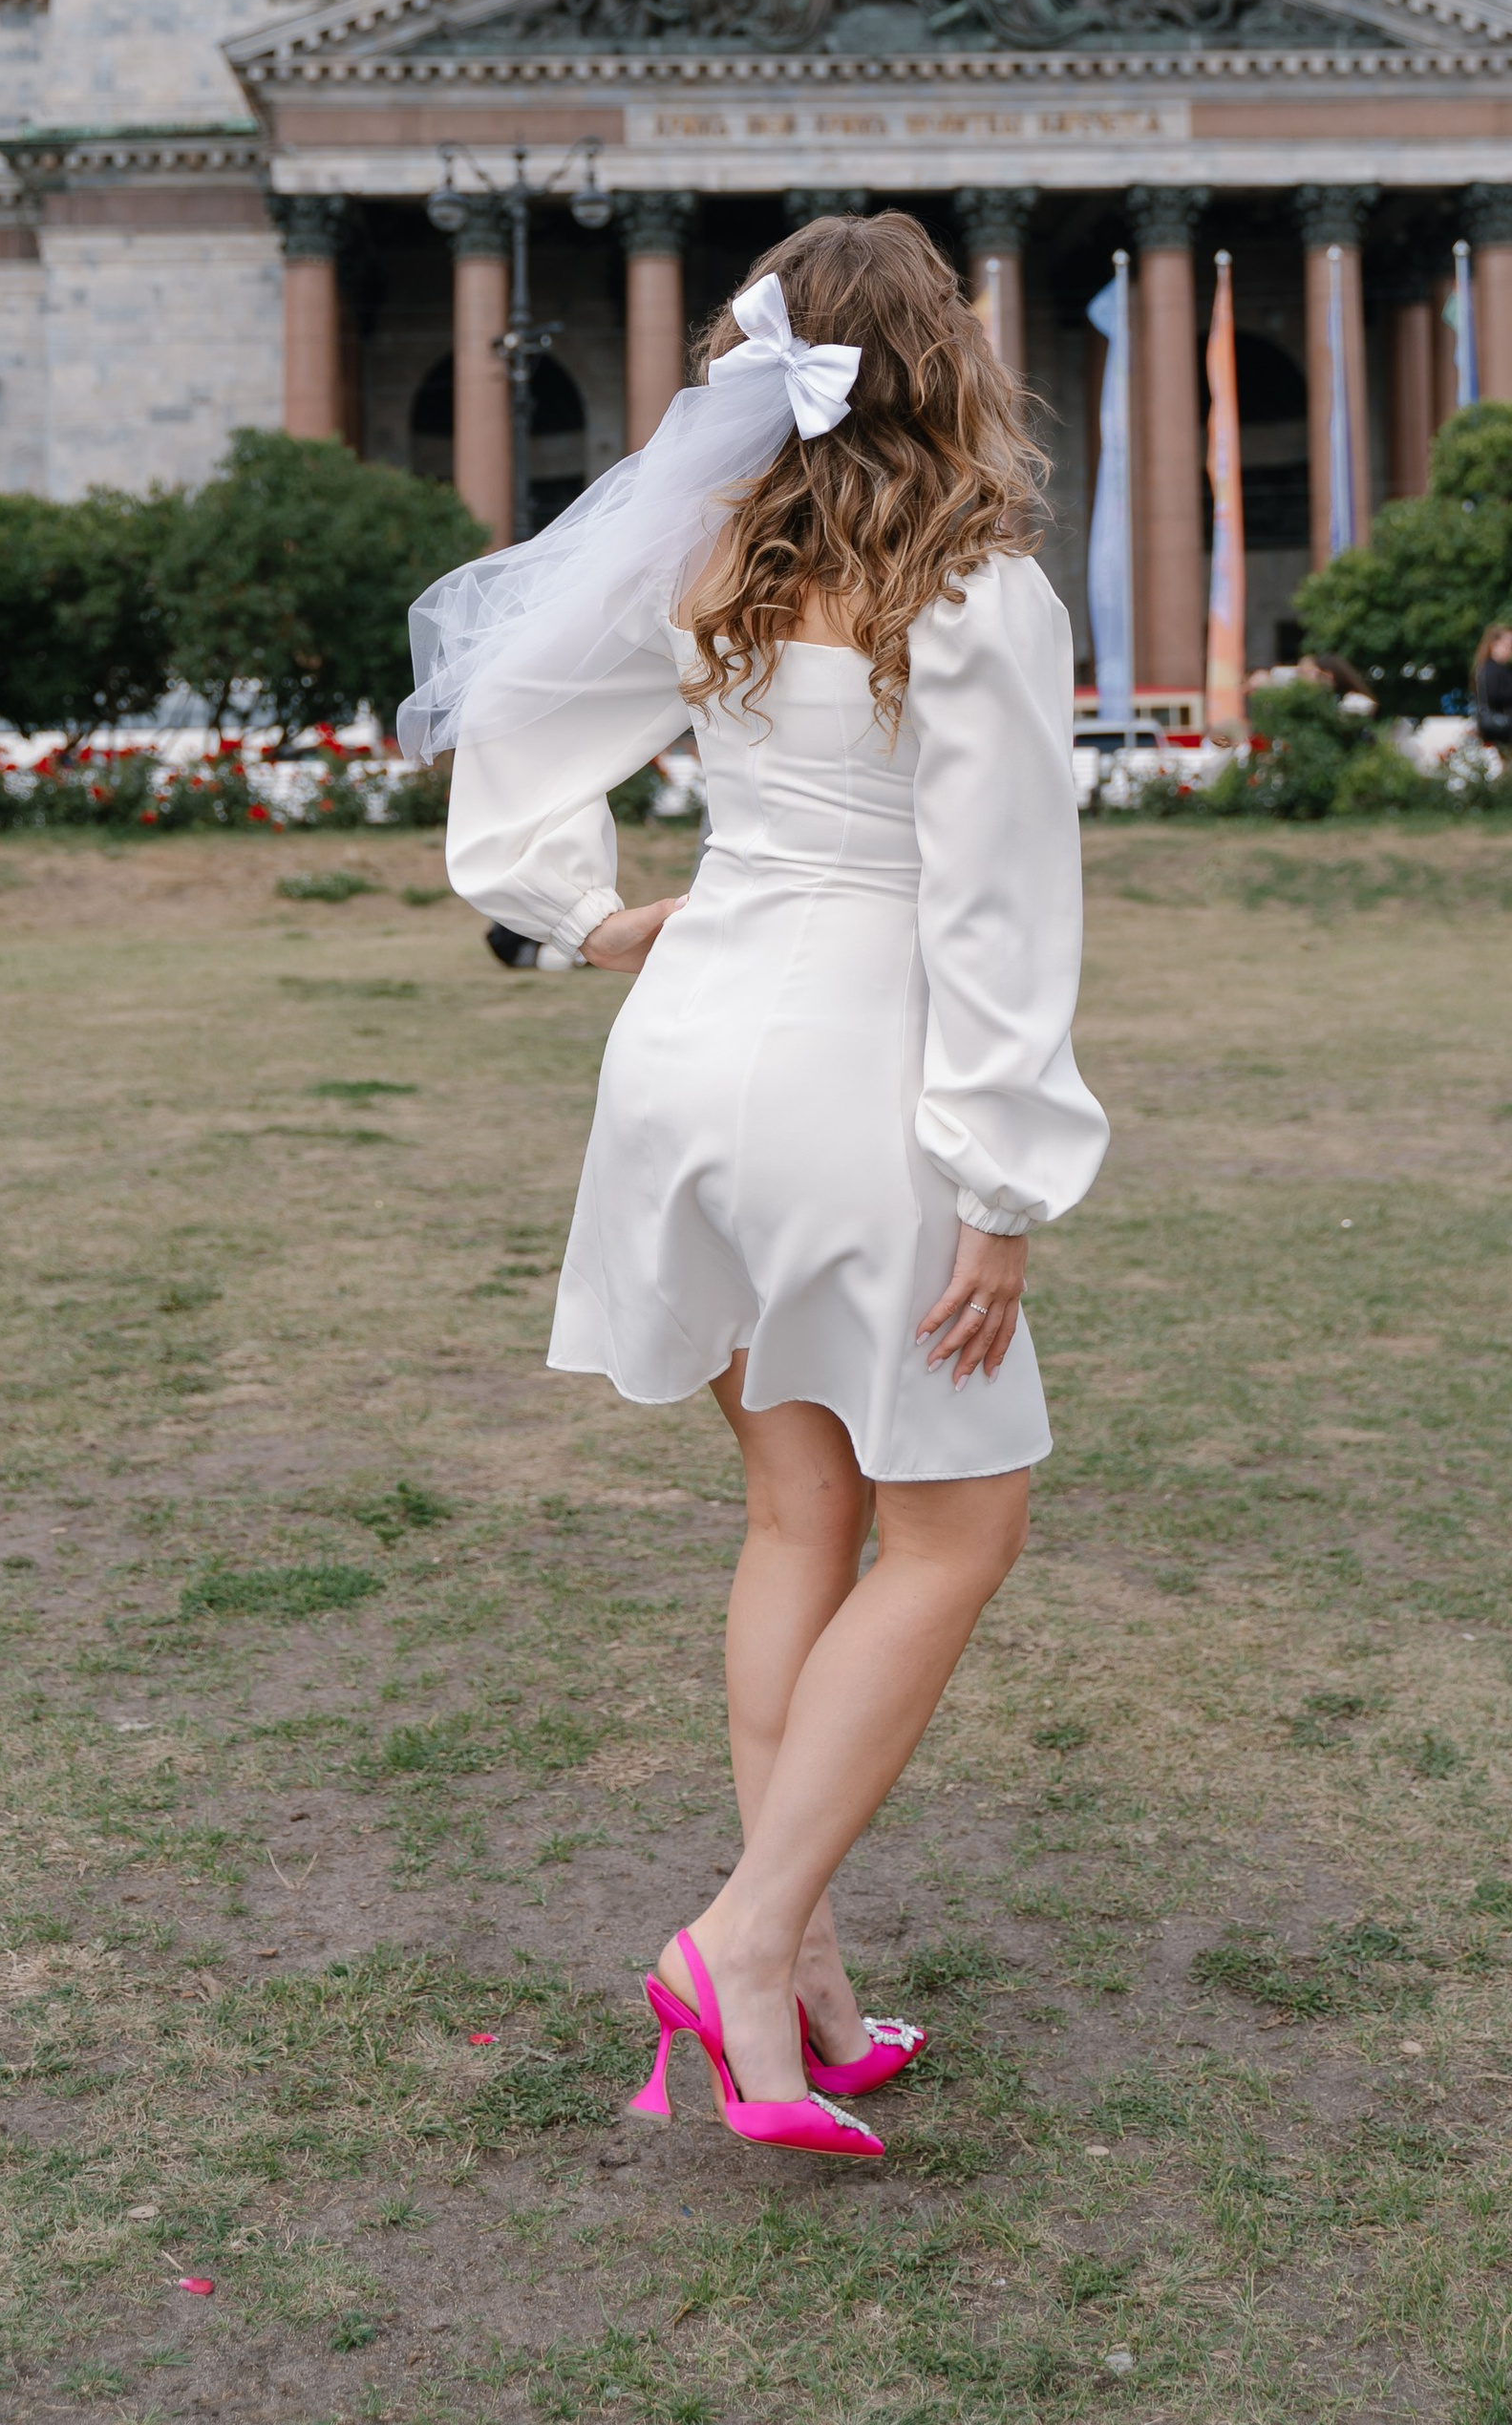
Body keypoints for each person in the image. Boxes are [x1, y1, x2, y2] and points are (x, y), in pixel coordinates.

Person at [406, 212, 1107, 2161]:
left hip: (687, 1053)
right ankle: (737, 1937)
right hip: (848, 1071)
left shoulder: (720, 553)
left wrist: (569, 918)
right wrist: (1002, 1180)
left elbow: (515, 711)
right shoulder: (975, 585)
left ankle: (795, 2004)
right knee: (953, 1538)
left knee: (796, 1508)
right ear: (942, 355)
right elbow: (991, 909)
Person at [1470, 622, 1512, 750]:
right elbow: (1493, 696)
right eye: (1508, 646)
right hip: (1497, 729)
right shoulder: (1489, 669)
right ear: (1494, 645)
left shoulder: (1503, 669)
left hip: (1506, 727)